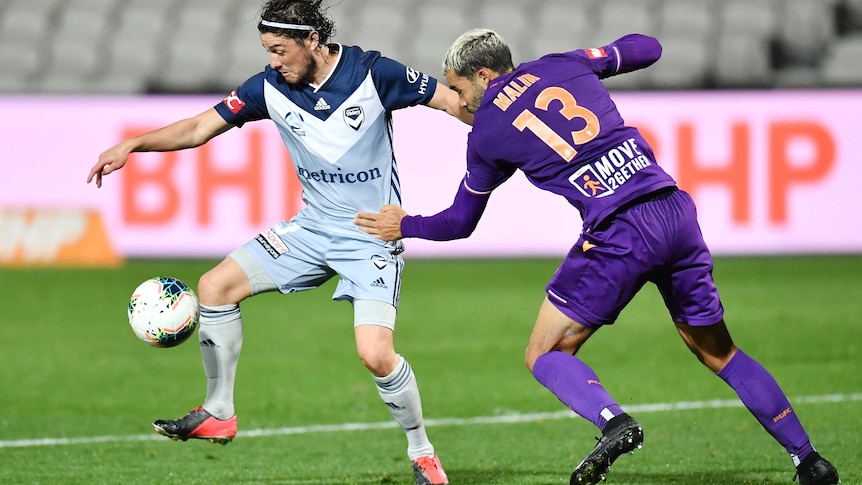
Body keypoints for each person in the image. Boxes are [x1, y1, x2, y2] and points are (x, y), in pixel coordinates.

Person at [354, 29, 841, 485]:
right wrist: (601, 59)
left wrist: (406, 225)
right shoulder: (561, 65)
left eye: (459, 90)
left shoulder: (485, 135)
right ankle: (809, 460)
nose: (459, 103)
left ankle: (615, 421)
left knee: (543, 353)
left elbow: (459, 223)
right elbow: (648, 47)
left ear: (483, 75)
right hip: (673, 210)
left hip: (618, 231)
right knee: (720, 353)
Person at [87, 1, 467, 483]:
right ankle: (219, 410)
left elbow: (454, 103)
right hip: (309, 230)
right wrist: (133, 144)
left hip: (371, 235)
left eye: (280, 50)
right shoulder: (266, 88)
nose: (273, 61)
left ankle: (423, 455)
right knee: (215, 288)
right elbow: (201, 127)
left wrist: (509, 126)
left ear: (312, 40)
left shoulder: (376, 73)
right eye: (267, 51)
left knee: (374, 354)